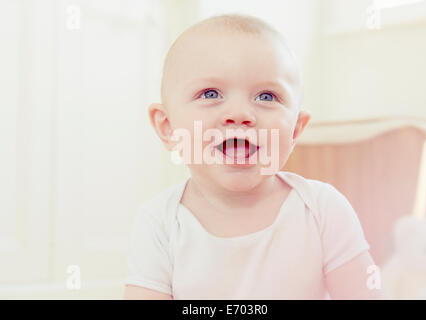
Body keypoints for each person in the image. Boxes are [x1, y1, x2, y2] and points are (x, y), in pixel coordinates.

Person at [124, 13, 386, 300]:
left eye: (266, 97)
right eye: (210, 93)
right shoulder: (159, 224)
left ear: (295, 129)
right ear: (168, 126)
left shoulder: (322, 210)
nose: (239, 114)